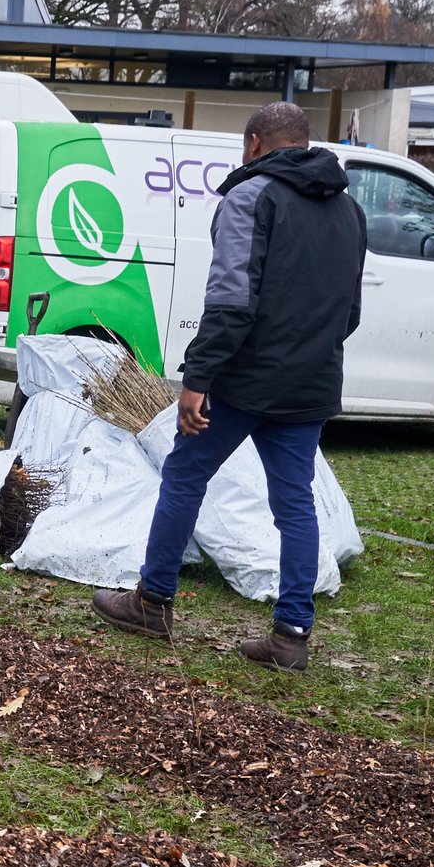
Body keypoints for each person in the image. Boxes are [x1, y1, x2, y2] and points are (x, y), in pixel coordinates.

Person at [92, 100, 366, 670]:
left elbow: (230, 300)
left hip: (244, 381)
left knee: (186, 473)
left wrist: (198, 378)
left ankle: (153, 601)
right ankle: (291, 635)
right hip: (310, 383)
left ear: (253, 144)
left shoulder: (250, 197)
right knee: (295, 503)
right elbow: (350, 312)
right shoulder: (349, 211)